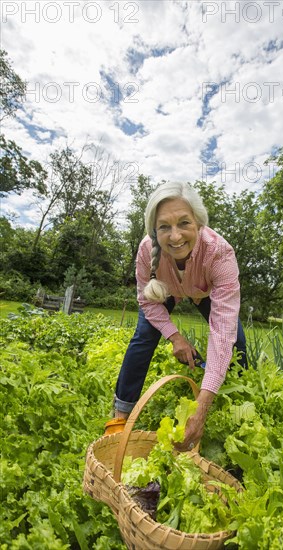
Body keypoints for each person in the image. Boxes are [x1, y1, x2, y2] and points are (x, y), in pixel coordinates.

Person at [105, 182, 247, 450]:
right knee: (144, 335)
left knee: (235, 342)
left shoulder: (220, 254)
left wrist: (200, 408)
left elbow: (221, 332)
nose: (175, 236)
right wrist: (176, 338)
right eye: (164, 227)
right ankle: (121, 415)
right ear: (153, 230)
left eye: (184, 223)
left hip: (203, 291)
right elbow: (147, 302)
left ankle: (238, 401)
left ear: (199, 223)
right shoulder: (147, 251)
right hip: (166, 288)